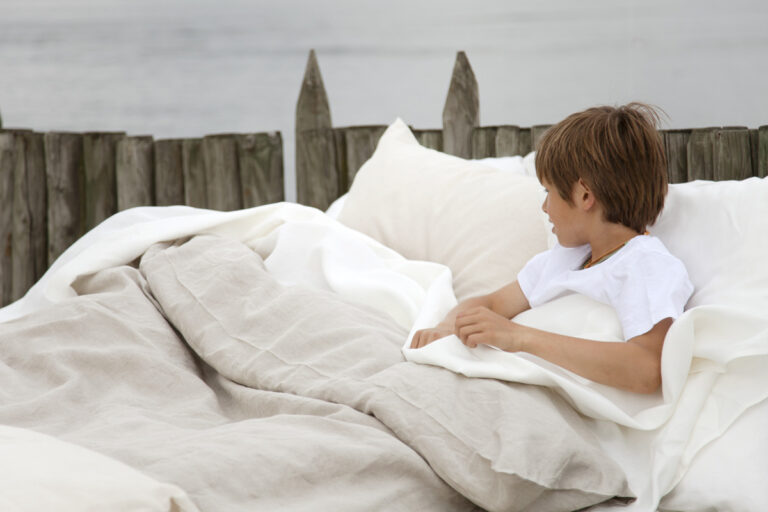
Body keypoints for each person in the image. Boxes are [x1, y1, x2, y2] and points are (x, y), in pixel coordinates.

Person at [410, 103, 694, 394]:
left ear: (585, 195)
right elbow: (492, 304)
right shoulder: (563, 260)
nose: (544, 207)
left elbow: (646, 368)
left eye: (549, 192)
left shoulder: (644, 264)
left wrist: (518, 337)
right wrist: (447, 327)